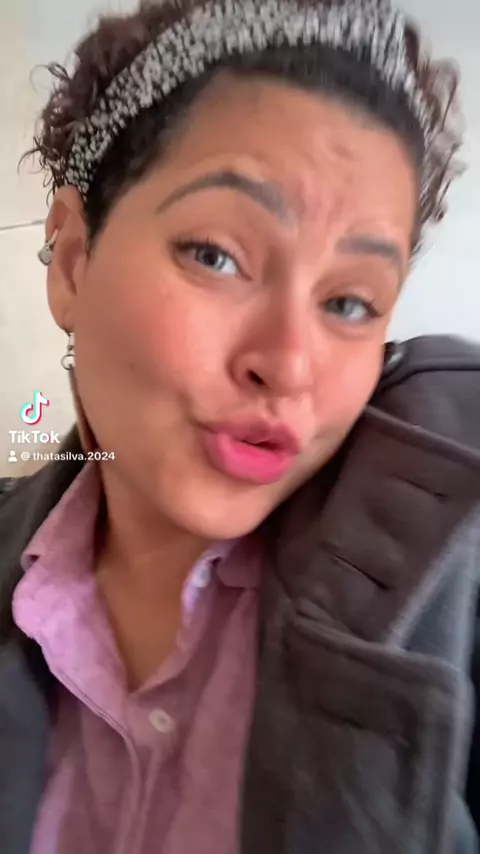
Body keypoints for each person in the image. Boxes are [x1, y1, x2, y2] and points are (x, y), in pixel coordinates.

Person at [1, 0, 479, 851]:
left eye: (350, 303)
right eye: (216, 256)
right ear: (73, 261)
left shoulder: (449, 596)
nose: (289, 364)